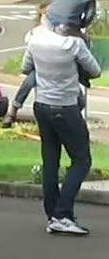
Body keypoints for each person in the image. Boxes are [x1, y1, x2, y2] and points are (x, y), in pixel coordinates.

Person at [20, 20, 101, 236]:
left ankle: (52, 214)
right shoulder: (73, 43)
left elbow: (25, 68)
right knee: (82, 160)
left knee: (50, 160)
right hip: (66, 106)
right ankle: (62, 214)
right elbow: (95, 71)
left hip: (42, 105)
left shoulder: (35, 40)